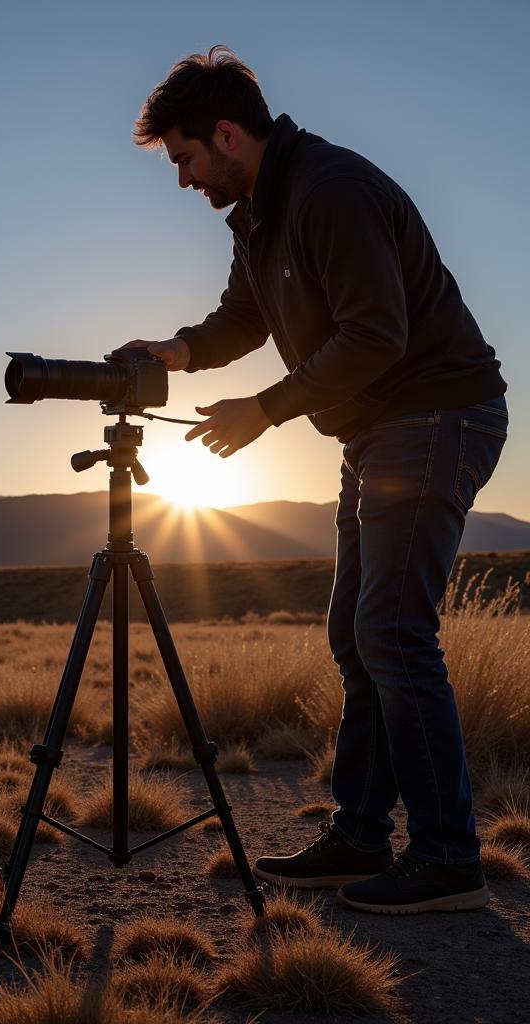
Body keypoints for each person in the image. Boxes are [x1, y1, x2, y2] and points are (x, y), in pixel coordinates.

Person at [124, 47, 507, 913]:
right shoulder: (258, 211)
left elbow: (377, 335)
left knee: (394, 631)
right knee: (356, 633)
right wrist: (176, 352)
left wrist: (263, 410)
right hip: (376, 430)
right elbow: (242, 318)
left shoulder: (330, 189)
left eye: (185, 158)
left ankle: (449, 858)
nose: (183, 180)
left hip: (438, 414)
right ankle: (362, 839)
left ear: (227, 134)